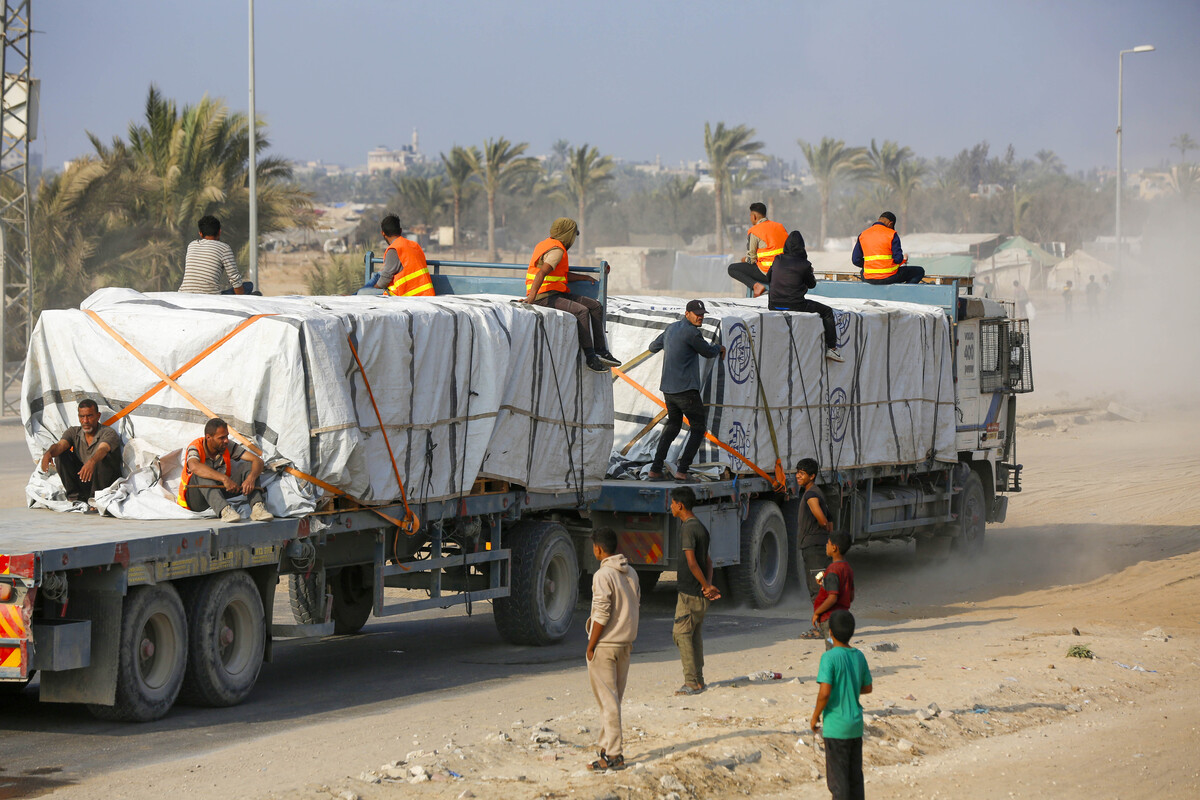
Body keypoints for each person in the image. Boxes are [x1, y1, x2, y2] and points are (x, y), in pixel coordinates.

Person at [524, 217, 618, 373]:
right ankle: (590, 357)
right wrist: (532, 297)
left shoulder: (548, 244)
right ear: (568, 234)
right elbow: (542, 273)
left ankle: (601, 350)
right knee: (582, 310)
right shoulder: (556, 250)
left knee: (595, 305)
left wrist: (584, 277)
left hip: (554, 292)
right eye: (574, 235)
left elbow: (561, 275)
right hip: (544, 297)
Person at [647, 300, 725, 481]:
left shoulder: (671, 328)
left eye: (702, 314)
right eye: (697, 314)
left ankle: (655, 468)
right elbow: (707, 351)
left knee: (673, 425)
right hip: (686, 391)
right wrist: (718, 347)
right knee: (698, 428)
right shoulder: (692, 333)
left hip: (668, 390)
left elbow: (652, 347)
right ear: (687, 313)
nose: (701, 317)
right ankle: (682, 471)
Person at [584, 527, 641, 772]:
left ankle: (614, 755)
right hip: (625, 645)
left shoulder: (603, 575)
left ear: (598, 548)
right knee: (614, 700)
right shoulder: (632, 573)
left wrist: (591, 644)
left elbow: (601, 613)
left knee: (608, 702)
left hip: (606, 646)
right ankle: (606, 748)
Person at [810, 609, 873, 800]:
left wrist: (815, 716)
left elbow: (825, 693)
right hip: (855, 725)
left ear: (830, 633)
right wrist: (850, 687)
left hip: (836, 727)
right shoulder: (859, 656)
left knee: (838, 783)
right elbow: (867, 688)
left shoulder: (829, 658)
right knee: (854, 778)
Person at [669, 486, 721, 695]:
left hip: (689, 593)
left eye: (672, 503)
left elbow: (692, 562)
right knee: (693, 635)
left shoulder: (687, 529)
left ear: (680, 505)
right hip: (699, 592)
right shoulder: (700, 527)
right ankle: (699, 680)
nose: (671, 507)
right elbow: (708, 561)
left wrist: (706, 585)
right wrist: (707, 585)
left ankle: (691, 682)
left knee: (681, 634)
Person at [177, 417, 274, 523]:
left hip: (219, 491)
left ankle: (257, 508)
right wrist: (224, 479)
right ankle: (225, 511)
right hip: (197, 499)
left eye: (227, 436)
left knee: (249, 467)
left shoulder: (227, 446)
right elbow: (194, 466)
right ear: (208, 437)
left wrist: (251, 478)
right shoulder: (195, 447)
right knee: (201, 473)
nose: (226, 440)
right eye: (221, 438)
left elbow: (257, 461)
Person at [768, 230, 844, 362]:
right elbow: (812, 284)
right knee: (827, 311)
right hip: (795, 304)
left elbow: (768, 277)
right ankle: (832, 349)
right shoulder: (804, 264)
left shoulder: (778, 259)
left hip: (773, 304)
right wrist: (810, 272)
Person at [39, 399, 123, 502]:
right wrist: (49, 453)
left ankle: (96, 500)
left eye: (89, 416)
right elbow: (60, 445)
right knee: (61, 455)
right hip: (84, 480)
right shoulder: (73, 432)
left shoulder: (108, 433)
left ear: (98, 416)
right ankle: (75, 498)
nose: (85, 421)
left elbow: (103, 448)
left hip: (104, 483)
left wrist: (91, 462)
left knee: (101, 457)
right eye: (82, 417)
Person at [359, 214, 435, 297]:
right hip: (426, 293)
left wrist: (373, 289)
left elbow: (384, 281)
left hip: (406, 294)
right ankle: (353, 296)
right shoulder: (414, 245)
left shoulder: (394, 249)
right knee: (378, 275)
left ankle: (354, 296)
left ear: (383, 233)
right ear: (400, 230)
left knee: (362, 294)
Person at [179, 215, 256, 295]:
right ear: (219, 232)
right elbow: (234, 279)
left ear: (201, 234)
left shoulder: (192, 245)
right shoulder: (224, 248)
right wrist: (243, 300)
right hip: (211, 297)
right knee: (248, 286)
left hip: (184, 293)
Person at [795, 458, 834, 610]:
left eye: (802, 473)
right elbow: (830, 522)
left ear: (812, 476)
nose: (798, 476)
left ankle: (822, 629)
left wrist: (817, 531)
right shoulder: (818, 492)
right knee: (822, 587)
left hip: (813, 548)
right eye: (798, 473)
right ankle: (825, 627)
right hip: (820, 546)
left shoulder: (811, 495)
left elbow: (824, 522)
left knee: (817, 590)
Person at [727, 202, 788, 296]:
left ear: (754, 216)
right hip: (782, 270)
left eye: (750, 215)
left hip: (767, 272)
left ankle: (756, 286)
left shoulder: (754, 231)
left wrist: (744, 259)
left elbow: (751, 260)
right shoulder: (780, 226)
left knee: (732, 268)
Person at [852, 212, 924, 285]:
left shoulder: (863, 235)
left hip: (869, 279)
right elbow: (898, 259)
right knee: (919, 271)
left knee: (863, 271)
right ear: (890, 224)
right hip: (889, 277)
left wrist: (872, 265)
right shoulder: (892, 234)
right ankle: (904, 292)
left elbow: (855, 260)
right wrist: (904, 260)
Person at [810, 532, 854, 650]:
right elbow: (851, 596)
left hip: (831, 619)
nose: (826, 545)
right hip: (844, 616)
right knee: (842, 647)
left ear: (834, 547)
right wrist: (825, 584)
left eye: (828, 543)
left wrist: (817, 612)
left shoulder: (832, 569)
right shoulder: (847, 568)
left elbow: (832, 598)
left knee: (832, 649)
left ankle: (836, 669)